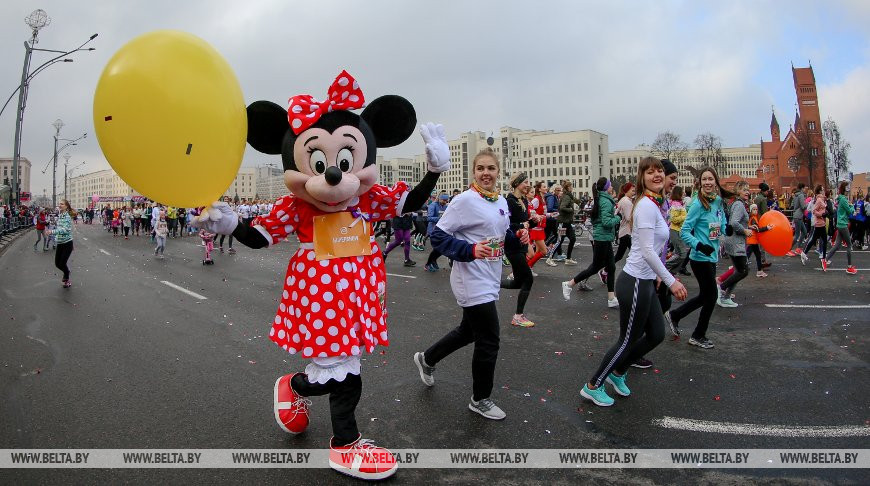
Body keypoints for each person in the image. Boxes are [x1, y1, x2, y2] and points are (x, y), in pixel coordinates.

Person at [414, 147, 526, 420]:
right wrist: (471, 251)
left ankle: (427, 359)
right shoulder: (464, 201)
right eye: (481, 169)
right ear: (473, 172)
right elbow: (438, 236)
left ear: (498, 172)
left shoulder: (498, 200)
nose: (486, 173)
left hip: (490, 276)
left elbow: (501, 234)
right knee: (489, 338)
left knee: (469, 331)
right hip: (469, 278)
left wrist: (517, 238)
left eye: (491, 168)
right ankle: (480, 399)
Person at [579, 157, 688, 407]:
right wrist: (671, 280)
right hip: (635, 281)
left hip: (647, 280)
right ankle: (593, 385)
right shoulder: (647, 206)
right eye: (650, 172)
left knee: (656, 334)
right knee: (627, 339)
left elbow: (654, 248)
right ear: (642, 177)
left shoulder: (655, 202)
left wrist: (660, 275)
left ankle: (618, 373)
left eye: (659, 171)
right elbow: (647, 251)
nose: (657, 175)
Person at [666, 167, 732, 349]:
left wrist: (727, 229)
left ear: (716, 181)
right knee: (711, 296)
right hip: (699, 258)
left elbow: (721, 221)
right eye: (704, 180)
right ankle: (698, 335)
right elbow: (685, 231)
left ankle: (675, 315)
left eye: (711, 179)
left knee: (706, 295)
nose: (708, 183)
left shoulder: (718, 201)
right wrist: (699, 245)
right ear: (700, 183)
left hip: (711, 258)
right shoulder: (697, 204)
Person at [560, 177, 619, 308]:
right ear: (606, 188)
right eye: (610, 185)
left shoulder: (601, 199)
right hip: (602, 238)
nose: (611, 188)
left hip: (604, 238)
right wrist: (618, 217)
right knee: (595, 267)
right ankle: (569, 284)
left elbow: (596, 220)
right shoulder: (606, 201)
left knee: (611, 267)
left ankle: (611, 298)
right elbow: (606, 222)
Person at [501, 172, 538, 328]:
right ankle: (518, 316)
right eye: (525, 182)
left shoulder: (522, 200)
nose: (528, 185)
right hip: (513, 246)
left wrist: (533, 222)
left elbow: (524, 223)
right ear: (517, 184)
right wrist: (521, 227)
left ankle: (493, 283)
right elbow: (506, 225)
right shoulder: (509, 201)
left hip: (522, 244)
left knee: (518, 282)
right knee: (528, 279)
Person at [717, 181, 754, 307]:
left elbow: (736, 221)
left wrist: (749, 226)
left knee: (737, 271)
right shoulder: (739, 204)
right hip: (735, 242)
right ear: (738, 191)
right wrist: (745, 230)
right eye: (744, 190)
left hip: (733, 241)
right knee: (743, 271)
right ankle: (720, 288)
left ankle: (726, 297)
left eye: (748, 190)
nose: (747, 192)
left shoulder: (736, 203)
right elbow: (733, 222)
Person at [825, 181, 857, 274]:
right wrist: (852, 207)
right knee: (849, 245)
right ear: (845, 189)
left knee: (837, 245)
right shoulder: (843, 199)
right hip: (843, 224)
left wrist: (850, 205)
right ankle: (849, 267)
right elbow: (849, 211)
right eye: (848, 187)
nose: (849, 189)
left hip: (840, 224)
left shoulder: (841, 198)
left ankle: (825, 260)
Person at [800, 187, 830, 270]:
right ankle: (823, 258)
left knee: (819, 240)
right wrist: (822, 214)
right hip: (819, 223)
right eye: (823, 189)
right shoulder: (819, 200)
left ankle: (805, 253)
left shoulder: (821, 199)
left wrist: (825, 213)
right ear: (820, 191)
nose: (824, 191)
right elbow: (813, 210)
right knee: (821, 240)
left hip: (821, 223)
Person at [49, 200, 76, 288]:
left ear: (66, 206)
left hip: (67, 243)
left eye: (62, 204)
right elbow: (59, 227)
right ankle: (67, 272)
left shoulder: (67, 217)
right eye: (59, 204)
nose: (60, 205)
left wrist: (52, 231)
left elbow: (65, 230)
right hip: (60, 243)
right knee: (57, 264)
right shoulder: (60, 215)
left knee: (63, 263)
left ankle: (67, 277)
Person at [554, 181, 580, 265]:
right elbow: (562, 207)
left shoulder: (569, 196)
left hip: (567, 223)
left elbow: (574, 201)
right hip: (562, 222)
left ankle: (568, 259)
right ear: (568, 187)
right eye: (571, 186)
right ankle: (550, 257)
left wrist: (578, 202)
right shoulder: (566, 197)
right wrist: (572, 210)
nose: (572, 188)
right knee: (559, 241)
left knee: (572, 239)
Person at [665, 186, 688, 274]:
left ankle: (671, 273)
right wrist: (685, 217)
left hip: (679, 230)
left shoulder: (679, 204)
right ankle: (665, 266)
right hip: (675, 230)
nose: (684, 194)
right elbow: (673, 219)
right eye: (682, 192)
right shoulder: (675, 205)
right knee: (682, 254)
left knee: (679, 254)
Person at [423, 194, 449, 272]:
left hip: (442, 230)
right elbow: (429, 218)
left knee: (441, 248)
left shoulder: (445, 206)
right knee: (437, 248)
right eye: (443, 200)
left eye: (446, 200)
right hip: (433, 230)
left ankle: (433, 261)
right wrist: (440, 218)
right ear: (439, 199)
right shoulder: (433, 205)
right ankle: (428, 264)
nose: (445, 202)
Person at [746, 204, 772, 277]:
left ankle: (737, 267)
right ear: (751, 210)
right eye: (754, 209)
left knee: (748, 254)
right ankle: (759, 271)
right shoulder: (753, 219)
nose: (755, 211)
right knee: (757, 255)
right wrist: (767, 228)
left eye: (756, 209)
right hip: (752, 240)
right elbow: (758, 229)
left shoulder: (752, 218)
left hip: (752, 239)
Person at [613, 182, 636, 264]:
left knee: (621, 255)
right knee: (622, 255)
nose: (634, 192)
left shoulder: (625, 200)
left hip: (625, 232)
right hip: (627, 232)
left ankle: (606, 269)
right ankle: (606, 269)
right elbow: (629, 218)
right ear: (627, 190)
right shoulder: (626, 202)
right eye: (632, 191)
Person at [545, 184, 565, 265]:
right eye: (557, 190)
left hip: (552, 219)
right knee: (558, 237)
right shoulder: (551, 197)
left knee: (556, 236)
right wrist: (558, 210)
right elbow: (549, 208)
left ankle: (559, 253)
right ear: (554, 190)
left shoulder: (554, 197)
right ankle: (556, 253)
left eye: (560, 190)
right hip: (551, 220)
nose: (559, 192)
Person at [786, 184, 808, 256]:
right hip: (798, 216)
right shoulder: (801, 195)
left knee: (804, 232)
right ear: (802, 188)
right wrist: (808, 204)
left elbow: (793, 205)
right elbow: (803, 206)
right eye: (804, 188)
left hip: (797, 215)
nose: (805, 189)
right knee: (797, 235)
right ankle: (788, 249)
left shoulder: (796, 195)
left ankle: (798, 248)